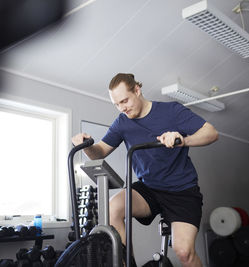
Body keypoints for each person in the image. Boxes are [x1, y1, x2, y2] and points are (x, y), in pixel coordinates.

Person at [72, 73, 219, 267]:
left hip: (182, 191)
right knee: (113, 208)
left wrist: (183, 140)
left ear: (137, 90)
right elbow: (99, 153)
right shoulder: (122, 122)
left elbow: (211, 133)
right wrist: (86, 146)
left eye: (125, 100)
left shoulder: (171, 111)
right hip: (149, 189)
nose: (122, 108)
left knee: (184, 253)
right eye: (117, 104)